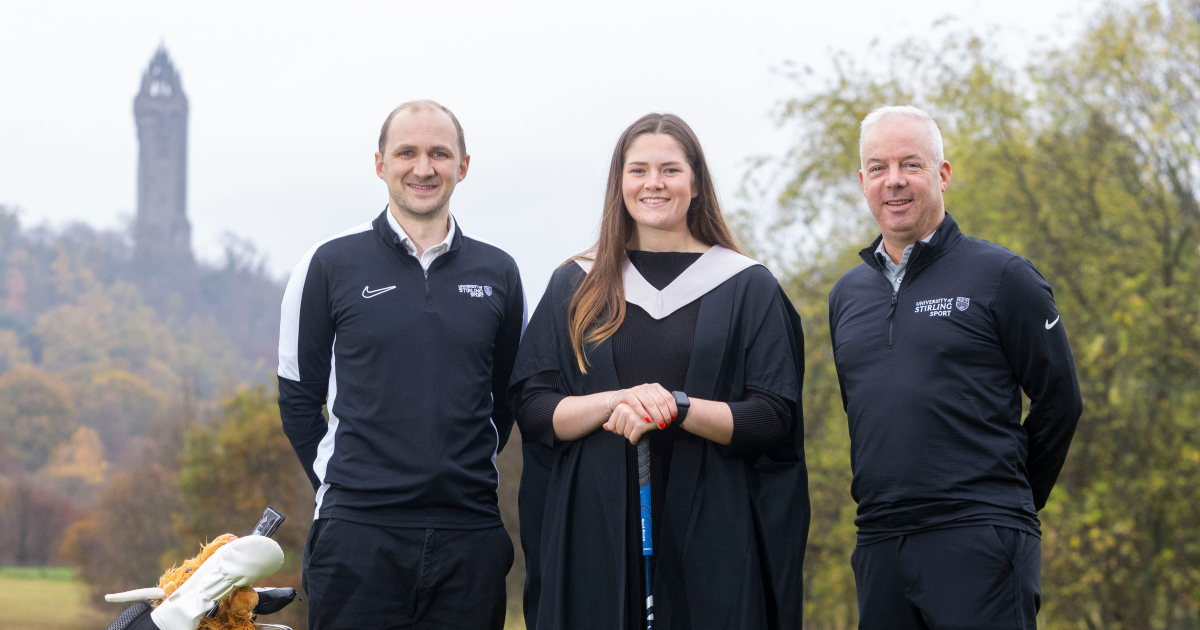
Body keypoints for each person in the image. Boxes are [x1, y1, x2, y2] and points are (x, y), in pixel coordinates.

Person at [511, 113, 809, 630]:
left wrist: (678, 406)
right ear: (619, 183)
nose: (654, 183)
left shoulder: (746, 286)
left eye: (670, 170)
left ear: (696, 183)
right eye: (639, 170)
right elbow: (534, 409)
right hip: (594, 532)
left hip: (714, 531)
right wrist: (616, 400)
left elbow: (773, 415)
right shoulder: (575, 285)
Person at [828, 105, 1083, 629]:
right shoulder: (846, 296)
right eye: (878, 168)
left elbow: (1061, 400)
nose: (893, 181)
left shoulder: (1002, 276)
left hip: (978, 538)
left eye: (911, 165)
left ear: (942, 174)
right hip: (879, 542)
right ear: (863, 182)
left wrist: (1006, 503)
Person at [277, 100, 524, 630]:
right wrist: (342, 486)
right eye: (406, 152)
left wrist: (453, 470)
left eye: (439, 153)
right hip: (357, 536)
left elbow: (506, 398)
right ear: (379, 163)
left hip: (470, 534)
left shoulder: (499, 271)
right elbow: (298, 395)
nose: (423, 167)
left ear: (462, 166)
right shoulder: (328, 264)